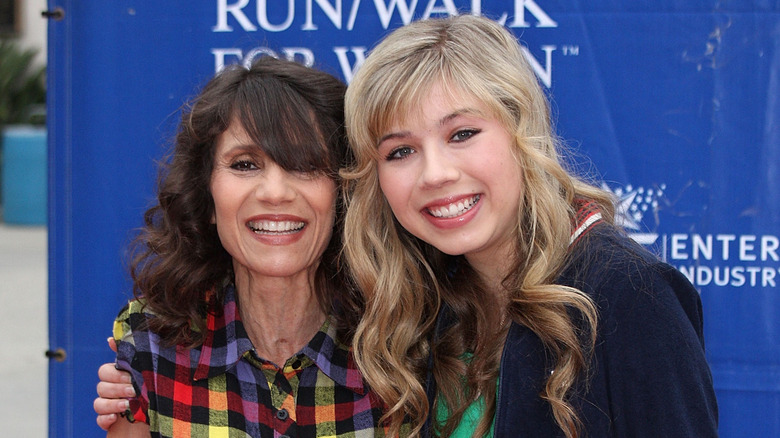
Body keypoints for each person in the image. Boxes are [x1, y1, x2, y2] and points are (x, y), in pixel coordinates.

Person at [340, 14, 718, 437]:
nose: (434, 174)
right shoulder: (423, 301)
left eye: (462, 134)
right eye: (400, 151)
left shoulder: (631, 294)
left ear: (522, 130)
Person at [95, 56, 399, 437]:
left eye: (305, 164)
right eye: (244, 165)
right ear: (205, 196)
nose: (275, 193)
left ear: (343, 193)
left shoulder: (401, 345)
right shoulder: (153, 341)